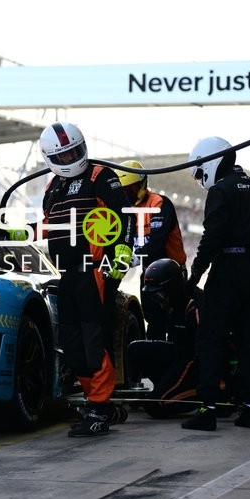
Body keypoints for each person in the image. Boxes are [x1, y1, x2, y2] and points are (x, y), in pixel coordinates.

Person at [37, 122, 133, 437]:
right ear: (50, 158)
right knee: (72, 344)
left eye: (74, 152)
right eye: (62, 156)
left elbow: (124, 220)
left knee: (94, 342)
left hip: (95, 271)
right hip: (66, 276)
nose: (70, 160)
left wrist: (117, 262)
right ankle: (97, 403)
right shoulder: (52, 188)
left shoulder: (101, 177)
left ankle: (100, 407)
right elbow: (44, 229)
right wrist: (4, 231)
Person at [180, 136, 250, 431]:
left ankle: (207, 409)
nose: (200, 177)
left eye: (199, 170)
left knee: (210, 338)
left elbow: (213, 237)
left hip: (229, 272)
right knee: (249, 341)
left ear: (210, 160)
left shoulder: (221, 190)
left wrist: (195, 275)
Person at [116, 160, 187, 340]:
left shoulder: (159, 203)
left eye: (130, 189)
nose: (127, 194)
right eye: (124, 190)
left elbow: (157, 242)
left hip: (173, 274)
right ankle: (154, 364)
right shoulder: (125, 211)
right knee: (154, 324)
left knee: (177, 323)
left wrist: (134, 257)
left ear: (142, 184)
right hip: (149, 275)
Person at [127, 258, 202, 418]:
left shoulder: (194, 304)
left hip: (195, 363)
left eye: (159, 294)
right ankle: (165, 388)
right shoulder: (168, 306)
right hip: (178, 354)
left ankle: (192, 393)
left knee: (155, 406)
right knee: (136, 348)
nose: (157, 299)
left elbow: (205, 350)